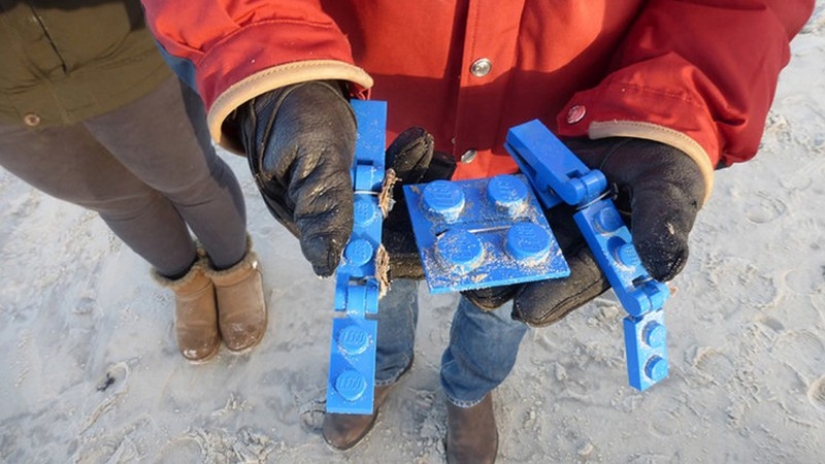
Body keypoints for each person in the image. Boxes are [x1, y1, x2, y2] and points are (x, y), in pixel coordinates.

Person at [140, 1, 815, 462]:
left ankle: (469, 385)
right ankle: (379, 364)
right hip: (376, 114)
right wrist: (273, 70)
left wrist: (674, 105)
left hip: (566, 128)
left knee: (512, 297)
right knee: (376, 265)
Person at [0, 0, 267, 364]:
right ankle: (188, 285)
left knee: (189, 178)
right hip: (9, 104)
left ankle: (234, 271)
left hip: (117, 49)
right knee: (118, 201)